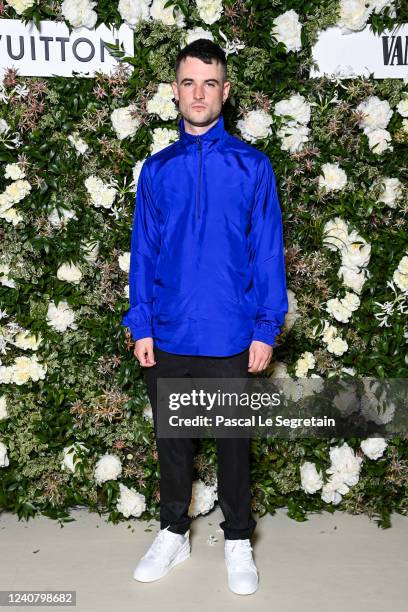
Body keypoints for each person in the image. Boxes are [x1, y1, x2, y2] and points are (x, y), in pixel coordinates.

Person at [121, 38, 288, 596]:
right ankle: (174, 531)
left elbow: (267, 252)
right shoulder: (157, 170)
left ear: (225, 90)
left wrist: (266, 328)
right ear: (174, 91)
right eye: (189, 82)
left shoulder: (252, 166)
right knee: (172, 440)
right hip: (167, 331)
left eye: (210, 83)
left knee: (233, 443)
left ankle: (238, 538)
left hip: (230, 333)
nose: (199, 93)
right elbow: (142, 252)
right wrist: (140, 322)